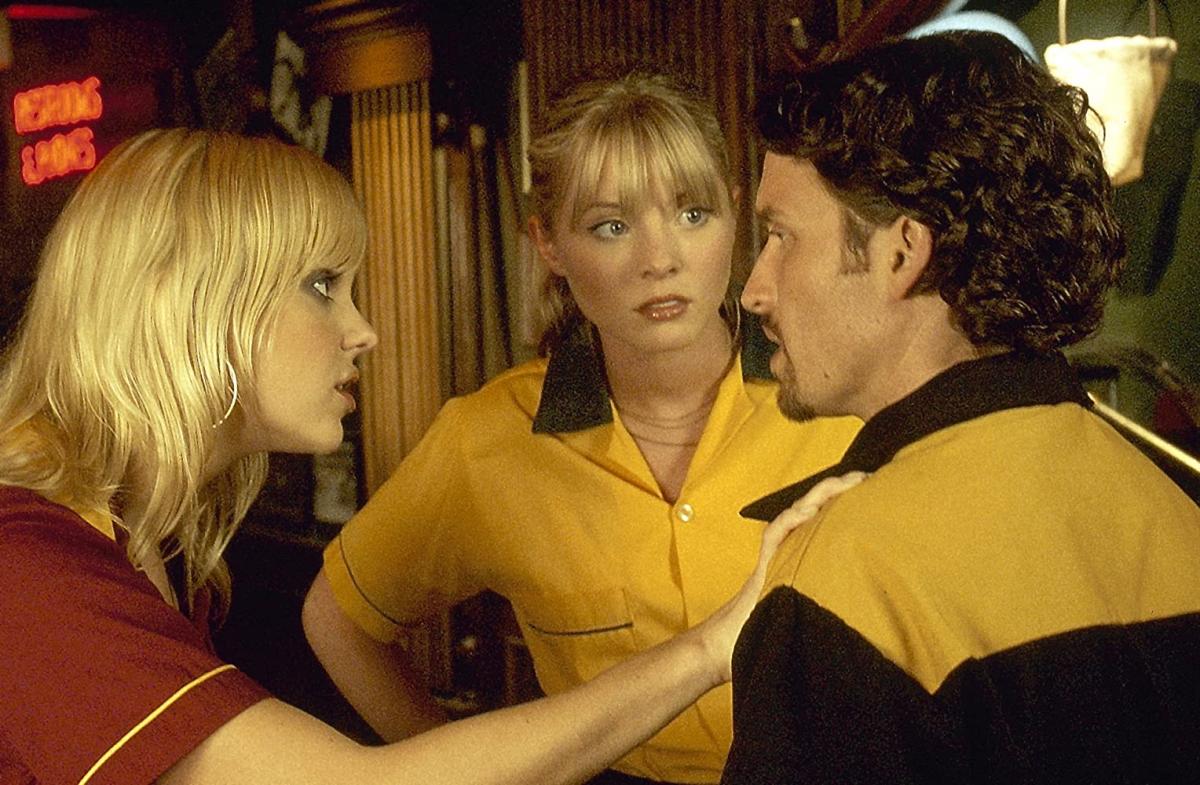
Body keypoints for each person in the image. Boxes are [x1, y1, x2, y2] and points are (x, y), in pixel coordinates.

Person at [0, 127, 863, 785]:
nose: (362, 330)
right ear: (188, 302)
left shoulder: (138, 539)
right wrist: (712, 647)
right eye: (321, 286)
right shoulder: (26, 561)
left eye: (693, 214)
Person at [302, 71, 861, 784]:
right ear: (548, 244)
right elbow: (338, 619)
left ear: (735, 212)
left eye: (693, 214)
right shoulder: (489, 441)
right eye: (611, 226)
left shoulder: (844, 400)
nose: (661, 260)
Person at [720, 30, 1200, 784]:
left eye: (781, 236)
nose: (755, 289)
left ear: (903, 253)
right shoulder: (1177, 514)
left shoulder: (848, 583)